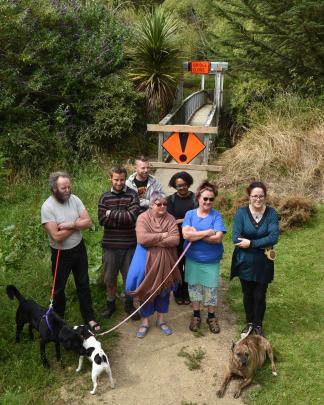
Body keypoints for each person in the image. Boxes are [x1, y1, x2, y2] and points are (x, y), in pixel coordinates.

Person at [41, 171, 100, 331]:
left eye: (68, 186)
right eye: (63, 188)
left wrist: (70, 225)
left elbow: (88, 222)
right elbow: (56, 236)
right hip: (61, 255)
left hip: (79, 250)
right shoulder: (47, 207)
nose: (67, 190)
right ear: (54, 189)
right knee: (59, 289)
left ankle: (89, 318)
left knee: (83, 284)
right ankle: (58, 322)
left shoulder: (75, 199)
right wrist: (76, 224)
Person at [126, 191, 181, 338]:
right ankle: (145, 322)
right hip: (146, 260)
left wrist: (155, 240)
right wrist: (163, 235)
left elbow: (175, 239)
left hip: (166, 260)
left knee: (164, 289)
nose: (162, 206)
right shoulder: (142, 218)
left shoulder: (170, 218)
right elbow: (142, 239)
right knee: (147, 289)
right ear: (151, 205)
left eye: (165, 204)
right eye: (159, 204)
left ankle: (161, 321)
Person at [230, 181, 279, 337]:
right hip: (244, 261)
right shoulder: (241, 213)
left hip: (263, 262)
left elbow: (273, 237)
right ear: (249, 197)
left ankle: (258, 325)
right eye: (254, 196)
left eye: (261, 196)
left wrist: (251, 243)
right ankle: (249, 323)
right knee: (248, 294)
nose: (258, 199)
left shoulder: (271, 213)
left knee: (260, 294)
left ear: (265, 197)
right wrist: (259, 243)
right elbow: (235, 238)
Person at [182, 180, 226, 334]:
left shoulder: (216, 215)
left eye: (211, 199)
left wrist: (195, 235)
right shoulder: (189, 214)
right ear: (198, 198)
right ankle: (196, 315)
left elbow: (218, 238)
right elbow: (186, 234)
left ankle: (211, 316)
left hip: (211, 261)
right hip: (193, 260)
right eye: (205, 198)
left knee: (211, 290)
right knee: (194, 288)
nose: (208, 202)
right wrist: (208, 232)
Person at [98, 166, 141, 320]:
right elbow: (102, 220)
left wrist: (111, 214)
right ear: (111, 178)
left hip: (129, 245)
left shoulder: (132, 195)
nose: (119, 182)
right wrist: (122, 217)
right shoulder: (104, 197)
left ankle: (129, 305)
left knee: (129, 278)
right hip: (110, 246)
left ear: (125, 178)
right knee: (110, 278)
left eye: (122, 179)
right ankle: (110, 305)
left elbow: (133, 218)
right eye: (116, 179)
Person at [167, 171, 197, 305]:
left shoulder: (196, 199)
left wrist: (181, 220)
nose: (182, 188)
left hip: (192, 240)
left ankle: (188, 292)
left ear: (188, 184)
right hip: (177, 239)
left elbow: (199, 218)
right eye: (178, 186)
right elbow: (170, 221)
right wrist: (188, 219)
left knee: (190, 267)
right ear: (174, 186)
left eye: (184, 185)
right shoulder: (170, 200)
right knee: (177, 267)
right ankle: (178, 293)